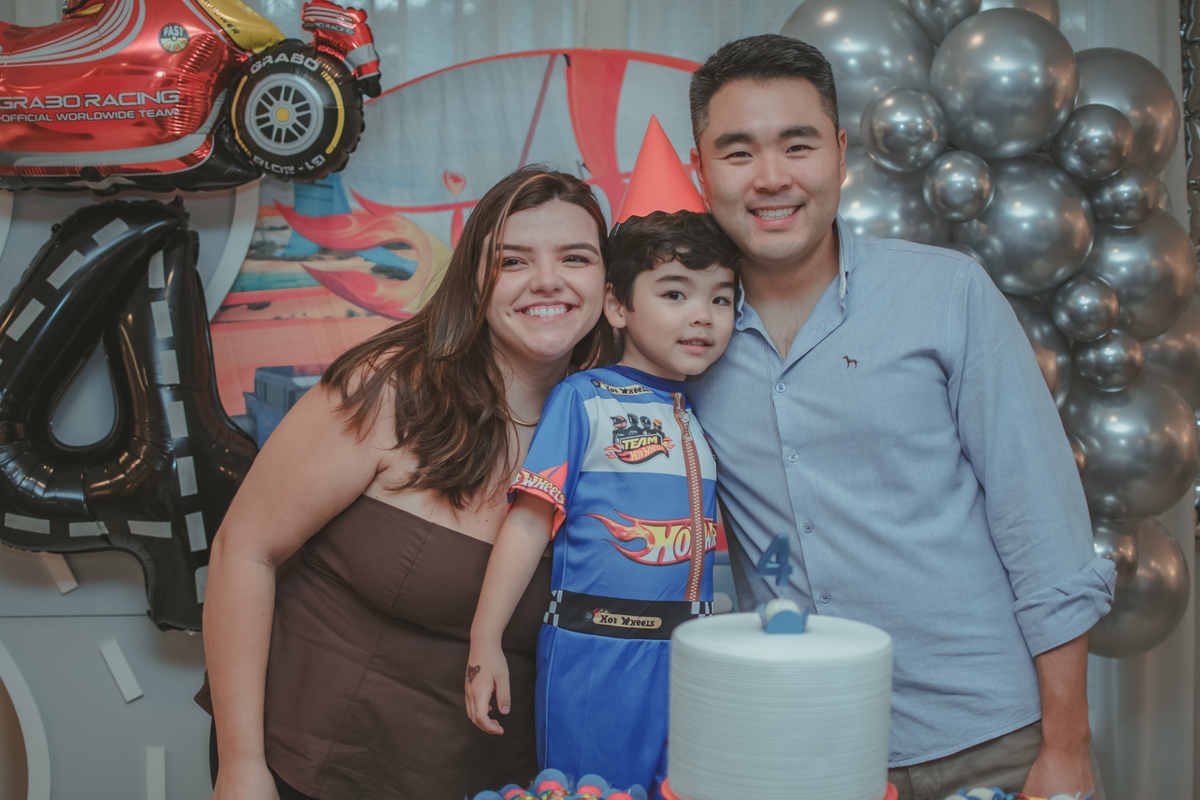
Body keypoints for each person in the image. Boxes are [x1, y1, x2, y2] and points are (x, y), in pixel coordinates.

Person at [684, 34, 1117, 800]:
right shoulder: (680, 340)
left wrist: (1068, 744)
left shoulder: (947, 292)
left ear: (842, 155)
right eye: (738, 152)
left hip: (989, 740)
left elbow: (1041, 522)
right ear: (701, 171)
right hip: (804, 747)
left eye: (798, 144)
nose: (772, 178)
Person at [198, 165, 615, 800]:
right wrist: (241, 766)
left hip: (490, 782)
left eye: (576, 258)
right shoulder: (389, 389)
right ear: (474, 279)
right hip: (309, 764)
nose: (548, 281)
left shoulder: (613, 425)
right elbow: (244, 551)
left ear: (608, 286)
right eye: (513, 261)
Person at [464, 201, 741, 795]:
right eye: (674, 294)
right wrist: (484, 640)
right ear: (617, 305)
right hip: (597, 653)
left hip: (686, 658)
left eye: (720, 298)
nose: (702, 316)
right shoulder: (585, 399)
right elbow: (529, 523)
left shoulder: (699, 415)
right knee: (590, 788)